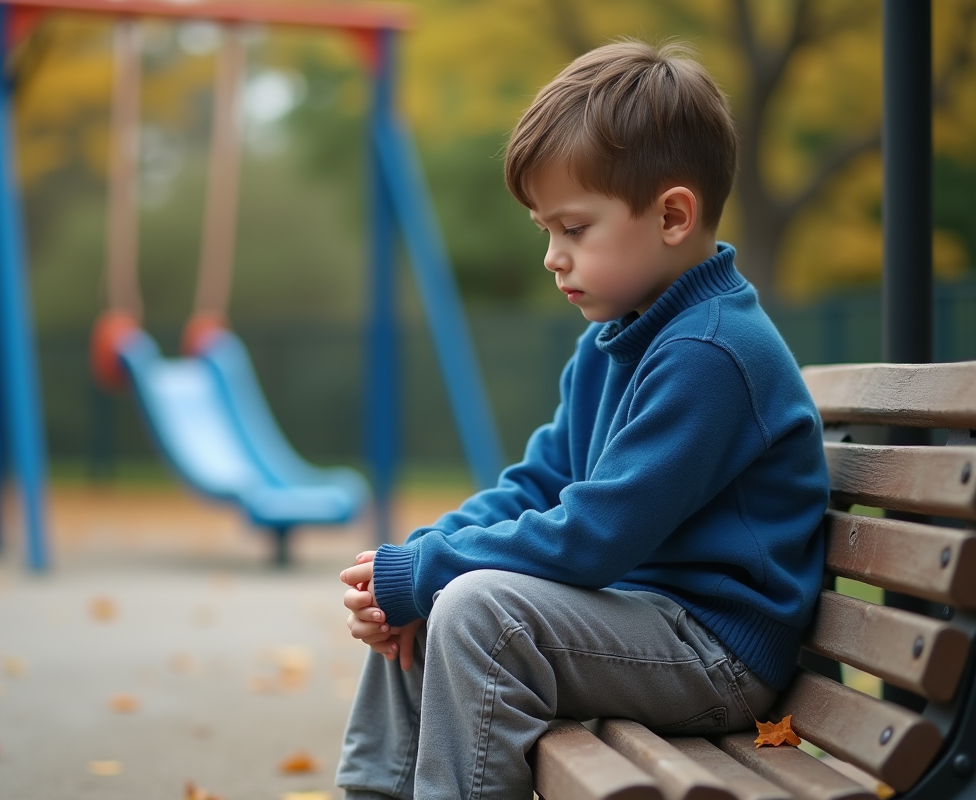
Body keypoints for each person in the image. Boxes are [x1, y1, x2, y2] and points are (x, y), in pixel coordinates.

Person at [334, 39, 830, 800]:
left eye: (574, 229)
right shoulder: (613, 340)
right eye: (545, 232)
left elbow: (597, 533)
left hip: (717, 654)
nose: (552, 258)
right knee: (434, 586)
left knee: (471, 606)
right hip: (639, 626)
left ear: (671, 216)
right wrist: (414, 561)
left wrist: (431, 574)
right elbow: (539, 483)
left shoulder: (711, 353)